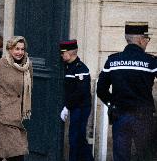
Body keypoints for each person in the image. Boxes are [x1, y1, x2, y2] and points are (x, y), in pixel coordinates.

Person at [97, 22, 157, 161]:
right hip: (144, 117)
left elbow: (101, 89)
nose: (147, 42)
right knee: (145, 156)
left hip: (120, 115)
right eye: (147, 39)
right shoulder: (150, 61)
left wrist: (113, 103)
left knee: (121, 156)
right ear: (141, 39)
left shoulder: (113, 61)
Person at [0, 36, 33, 161]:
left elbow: (29, 88)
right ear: (9, 49)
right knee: (16, 151)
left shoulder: (27, 66)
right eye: (17, 49)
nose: (20, 52)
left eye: (22, 49)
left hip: (19, 113)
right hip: (5, 113)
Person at [59, 39, 94, 161]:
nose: (61, 55)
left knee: (76, 137)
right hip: (75, 107)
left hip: (81, 107)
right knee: (77, 137)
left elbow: (81, 91)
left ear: (70, 53)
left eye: (63, 53)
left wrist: (67, 106)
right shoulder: (68, 66)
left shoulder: (80, 69)